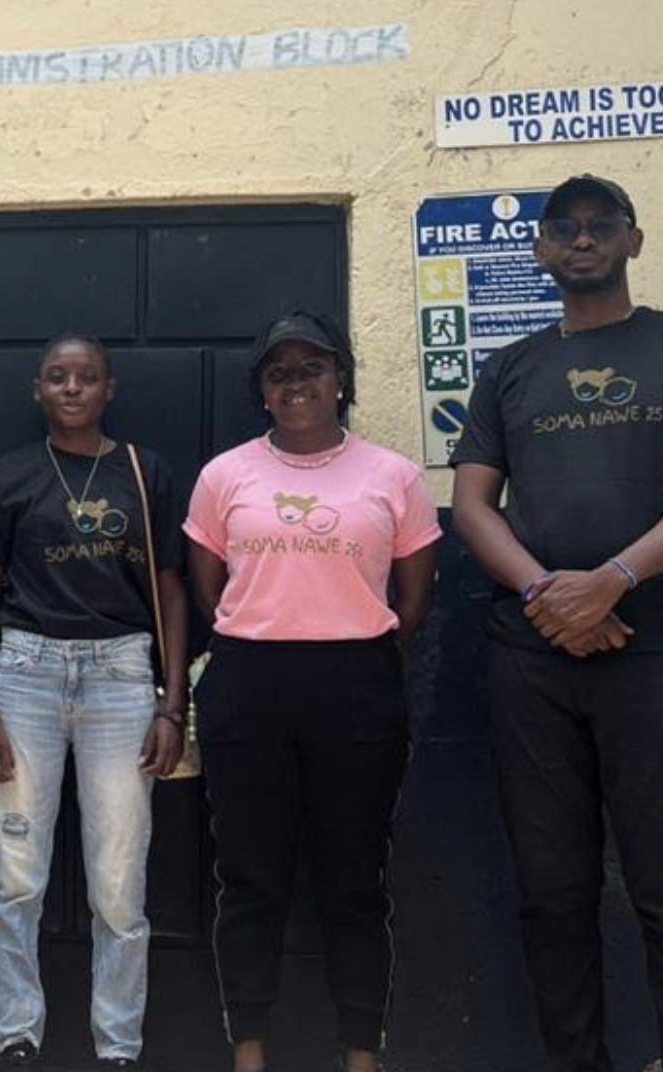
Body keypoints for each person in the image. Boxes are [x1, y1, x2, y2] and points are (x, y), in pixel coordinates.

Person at [450, 175, 663, 1072]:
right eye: (565, 230)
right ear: (541, 251)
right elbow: (473, 504)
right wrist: (553, 597)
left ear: (634, 240)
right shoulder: (508, 367)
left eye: (601, 227)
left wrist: (616, 580)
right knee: (552, 896)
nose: (582, 241)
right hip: (535, 657)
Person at [184, 311, 439, 1072]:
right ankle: (249, 1050)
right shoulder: (224, 475)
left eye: (312, 368)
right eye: (279, 372)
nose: (296, 383)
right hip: (248, 683)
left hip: (357, 687)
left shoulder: (393, 476)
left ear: (341, 379)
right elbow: (208, 587)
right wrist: (271, 630)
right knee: (250, 879)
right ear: (261, 390)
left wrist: (347, 639)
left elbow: (415, 596)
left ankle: (361, 1053)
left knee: (354, 880)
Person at [0, 335, 189, 1070]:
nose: (74, 388)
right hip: (26, 671)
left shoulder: (145, 473)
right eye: (59, 377)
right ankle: (17, 1033)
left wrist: (172, 704)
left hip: (121, 674)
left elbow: (173, 596)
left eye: (87, 377)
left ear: (109, 389)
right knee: (17, 875)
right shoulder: (8, 475)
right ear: (38, 390)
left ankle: (118, 1044)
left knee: (119, 883)